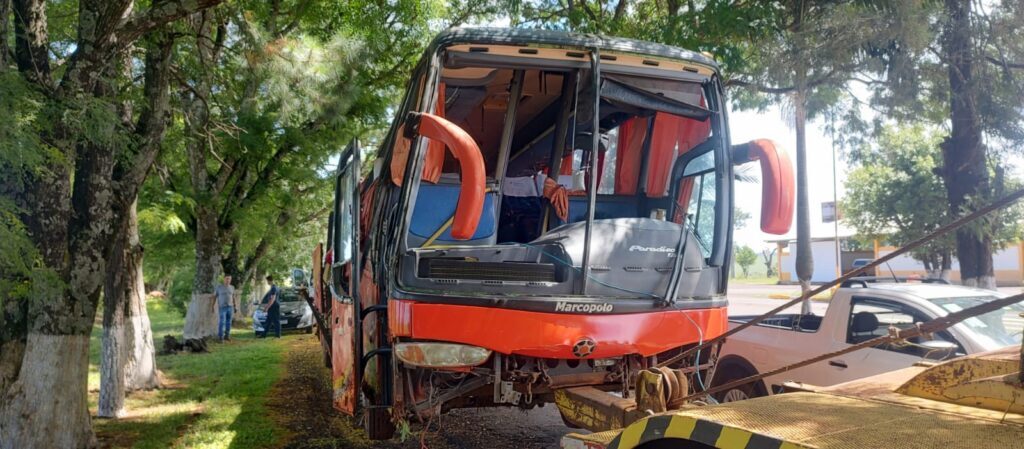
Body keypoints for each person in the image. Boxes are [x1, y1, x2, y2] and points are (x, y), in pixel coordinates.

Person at [215, 275, 235, 342]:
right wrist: (212, 306)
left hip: (230, 307)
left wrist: (235, 306)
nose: (228, 280)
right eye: (227, 279)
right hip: (222, 307)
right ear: (224, 279)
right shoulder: (219, 287)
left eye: (229, 279)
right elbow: (215, 297)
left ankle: (227, 336)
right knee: (222, 322)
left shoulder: (232, 287)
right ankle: (221, 337)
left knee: (229, 322)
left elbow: (233, 297)